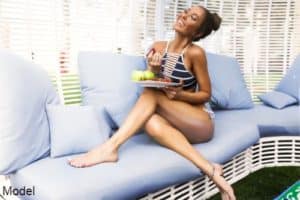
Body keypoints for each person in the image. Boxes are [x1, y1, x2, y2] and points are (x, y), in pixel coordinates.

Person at [69, 5, 236, 200]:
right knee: (149, 121)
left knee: (153, 94)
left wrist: (180, 95)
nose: (183, 16)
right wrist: (154, 70)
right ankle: (211, 169)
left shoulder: (195, 53)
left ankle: (110, 147)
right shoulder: (157, 47)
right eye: (185, 11)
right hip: (174, 123)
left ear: (198, 31)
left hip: (199, 121)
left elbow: (206, 94)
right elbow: (152, 81)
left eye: (192, 17)